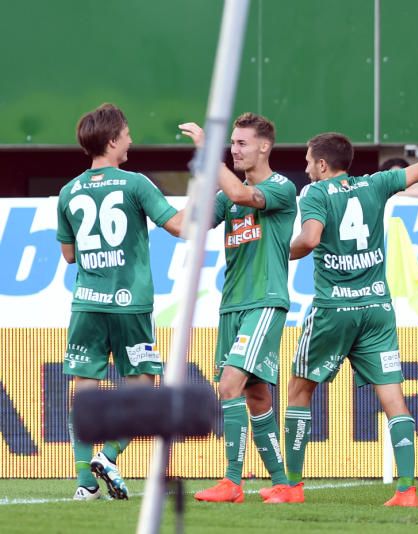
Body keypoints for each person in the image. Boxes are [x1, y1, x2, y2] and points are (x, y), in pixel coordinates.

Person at [283, 131, 418, 507]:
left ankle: (292, 486)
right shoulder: (375, 184)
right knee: (394, 400)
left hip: (333, 309)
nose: (306, 167)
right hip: (377, 309)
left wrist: (279, 250)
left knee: (300, 391)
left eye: (308, 161)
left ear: (322, 164)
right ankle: (407, 489)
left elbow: (310, 238)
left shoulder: (314, 193)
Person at [57, 103, 183, 500]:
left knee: (84, 391)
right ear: (112, 140)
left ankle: (84, 483)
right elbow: (179, 226)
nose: (130, 140)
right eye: (126, 134)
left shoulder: (68, 191)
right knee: (143, 386)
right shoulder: (135, 184)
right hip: (130, 304)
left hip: (86, 305)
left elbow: (69, 255)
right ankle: (109, 455)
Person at [179, 114, 296, 504]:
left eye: (242, 143)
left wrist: (207, 151)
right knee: (256, 396)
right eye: (232, 143)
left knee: (229, 384)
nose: (235, 149)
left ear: (264, 146)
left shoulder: (281, 188)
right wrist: (144, 202)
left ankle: (231, 482)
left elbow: (244, 197)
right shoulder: (227, 196)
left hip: (264, 301)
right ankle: (283, 484)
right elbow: (186, 227)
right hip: (232, 306)